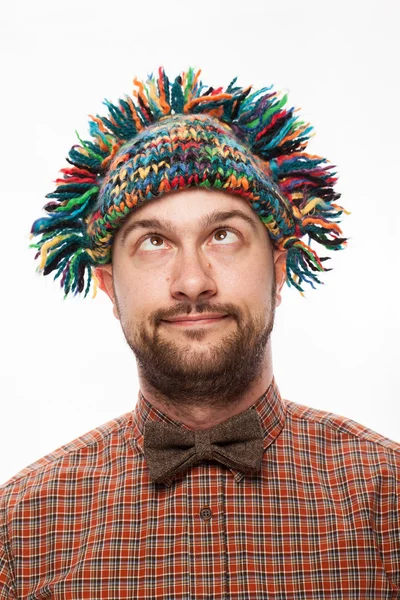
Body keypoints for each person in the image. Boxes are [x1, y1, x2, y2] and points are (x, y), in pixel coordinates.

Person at [1, 67, 399, 599]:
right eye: (153, 242)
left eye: (223, 235)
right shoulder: (19, 531)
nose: (192, 282)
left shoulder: (390, 499)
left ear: (279, 270)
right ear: (109, 285)